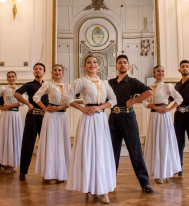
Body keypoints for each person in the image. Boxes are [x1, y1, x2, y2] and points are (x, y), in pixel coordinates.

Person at [65, 55, 117, 204]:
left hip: (101, 120)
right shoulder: (81, 81)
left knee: (101, 152)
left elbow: (113, 100)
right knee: (89, 152)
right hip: (88, 120)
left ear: (98, 65)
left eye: (95, 62)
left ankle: (102, 190)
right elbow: (67, 97)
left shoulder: (105, 83)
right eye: (89, 62)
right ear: (84, 66)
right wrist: (82, 108)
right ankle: (93, 187)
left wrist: (100, 107)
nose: (92, 64)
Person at [108, 54, 153, 193]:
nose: (122, 64)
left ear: (128, 66)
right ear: (116, 66)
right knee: (112, 152)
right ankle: (109, 182)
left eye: (125, 62)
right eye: (120, 62)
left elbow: (148, 92)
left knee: (135, 151)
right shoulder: (109, 83)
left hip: (128, 118)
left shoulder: (132, 81)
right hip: (113, 119)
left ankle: (144, 183)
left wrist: (133, 101)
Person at [143, 66, 182, 184]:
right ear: (154, 73)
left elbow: (179, 99)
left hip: (164, 117)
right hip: (154, 117)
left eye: (163, 71)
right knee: (155, 142)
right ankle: (157, 173)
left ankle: (166, 171)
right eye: (158, 71)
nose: (161, 73)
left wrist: (168, 109)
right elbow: (145, 102)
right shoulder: (149, 88)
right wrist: (155, 107)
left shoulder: (167, 86)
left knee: (164, 142)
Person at [33, 64, 71, 184]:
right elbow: (35, 97)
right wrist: (45, 108)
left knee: (61, 142)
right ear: (51, 72)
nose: (57, 72)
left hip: (62, 116)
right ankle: (49, 173)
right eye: (55, 70)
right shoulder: (48, 84)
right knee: (51, 143)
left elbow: (71, 102)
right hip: (51, 117)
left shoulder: (68, 87)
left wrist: (60, 107)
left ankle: (61, 173)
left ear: (63, 73)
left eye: (60, 70)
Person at [14, 63, 49, 180]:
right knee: (28, 143)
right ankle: (23, 172)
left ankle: (48, 172)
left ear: (44, 72)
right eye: (36, 69)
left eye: (40, 69)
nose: (38, 71)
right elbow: (16, 93)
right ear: (33, 72)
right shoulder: (29, 85)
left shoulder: (48, 85)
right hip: (32, 117)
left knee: (47, 144)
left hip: (45, 118)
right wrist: (28, 103)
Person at [0, 71, 25, 173]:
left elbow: (23, 103)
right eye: (9, 77)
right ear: (7, 79)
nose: (11, 78)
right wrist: (1, 106)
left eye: (13, 76)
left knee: (15, 138)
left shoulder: (20, 90)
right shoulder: (3, 89)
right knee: (6, 137)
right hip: (6, 115)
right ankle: (5, 164)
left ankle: (12, 164)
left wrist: (10, 105)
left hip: (16, 116)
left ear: (16, 78)